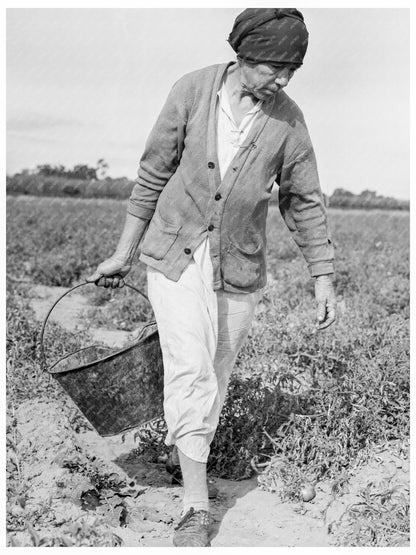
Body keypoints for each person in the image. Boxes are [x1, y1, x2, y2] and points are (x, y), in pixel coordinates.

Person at [87, 7, 336, 547]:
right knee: (192, 367)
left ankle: (187, 458)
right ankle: (196, 508)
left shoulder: (288, 120)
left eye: (293, 69)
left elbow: (304, 201)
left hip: (238, 265)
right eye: (275, 67)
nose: (284, 79)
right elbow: (153, 172)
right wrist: (122, 253)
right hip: (176, 253)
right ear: (244, 57)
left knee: (215, 377)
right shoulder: (192, 91)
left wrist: (323, 275)